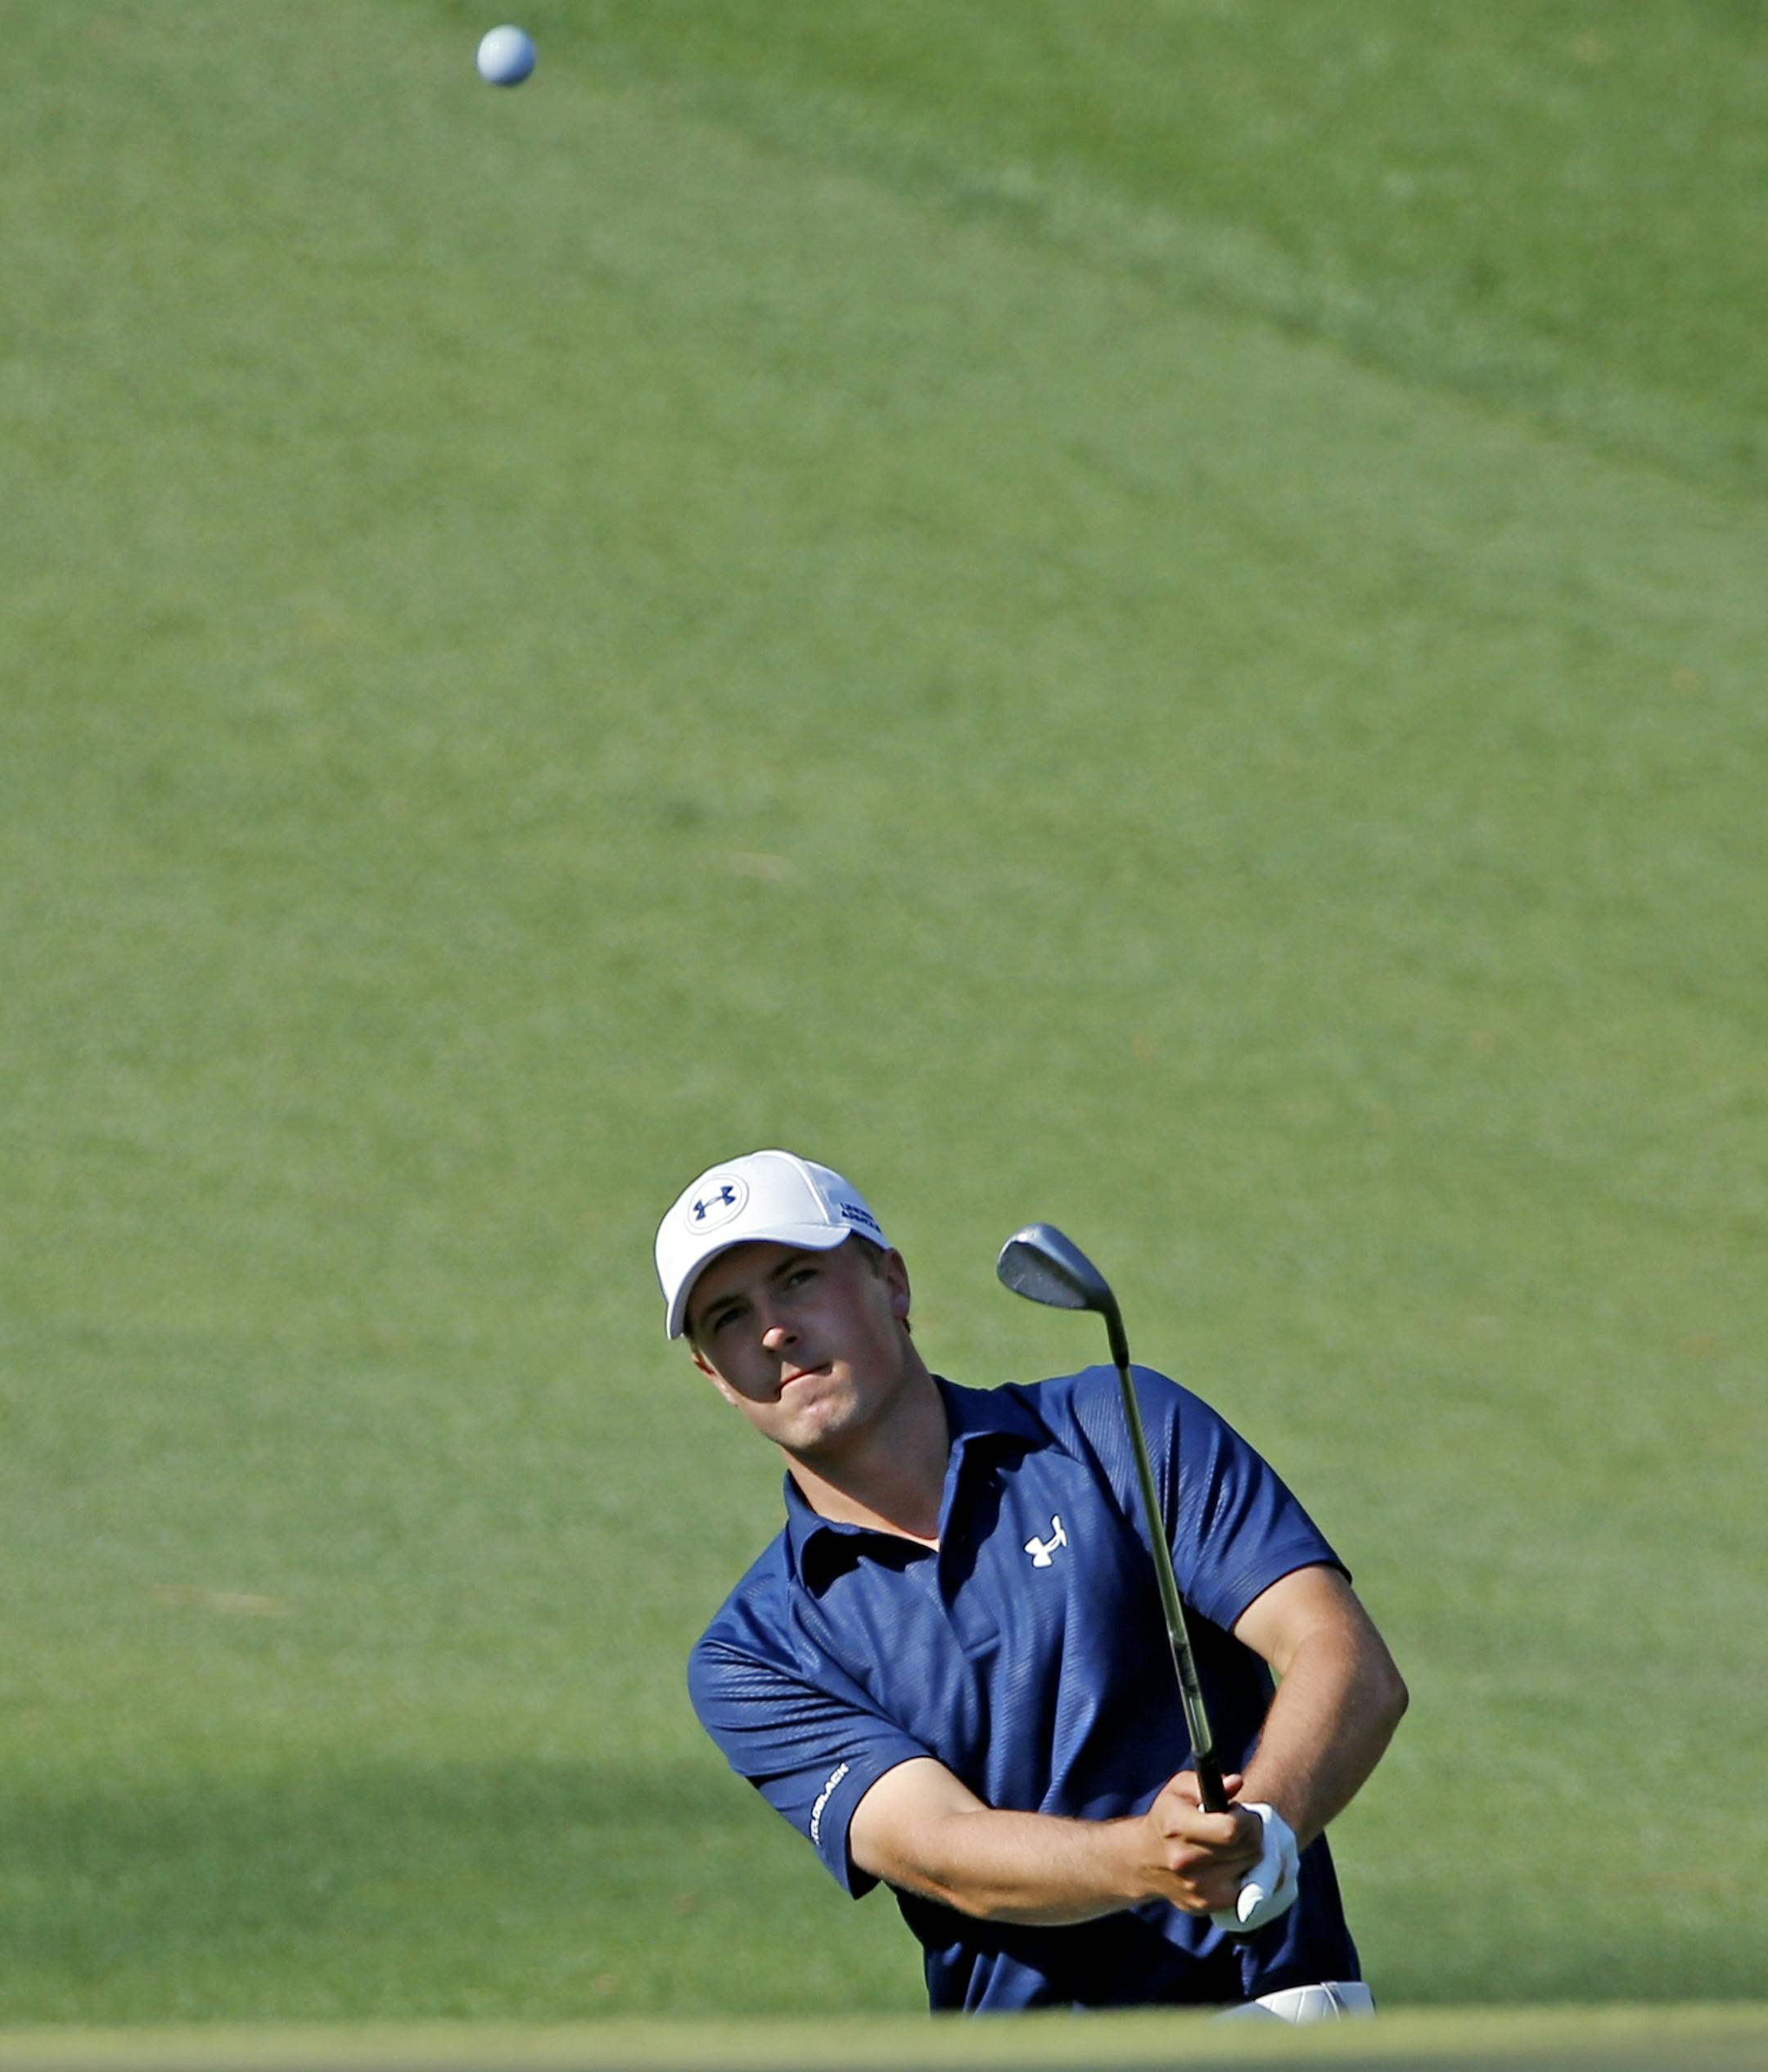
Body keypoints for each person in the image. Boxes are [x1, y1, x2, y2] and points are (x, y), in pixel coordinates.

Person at [656, 1149, 1408, 2020]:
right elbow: (944, 1850)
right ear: (713, 1374)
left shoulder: (1112, 1428)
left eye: (797, 1281)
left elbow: (1339, 1653)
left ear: (891, 1282)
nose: (773, 1330)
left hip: (1277, 2017)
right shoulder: (756, 1652)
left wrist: (1266, 1825)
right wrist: (1150, 1859)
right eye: (728, 1319)